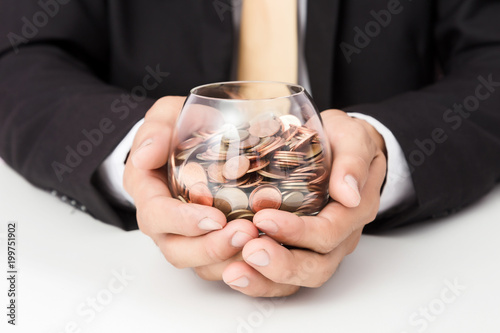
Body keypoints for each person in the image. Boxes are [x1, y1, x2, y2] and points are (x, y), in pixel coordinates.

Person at [0, 0, 499, 297]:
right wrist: (143, 153)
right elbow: (19, 53)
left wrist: (381, 151)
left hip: (406, 273)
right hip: (130, 286)